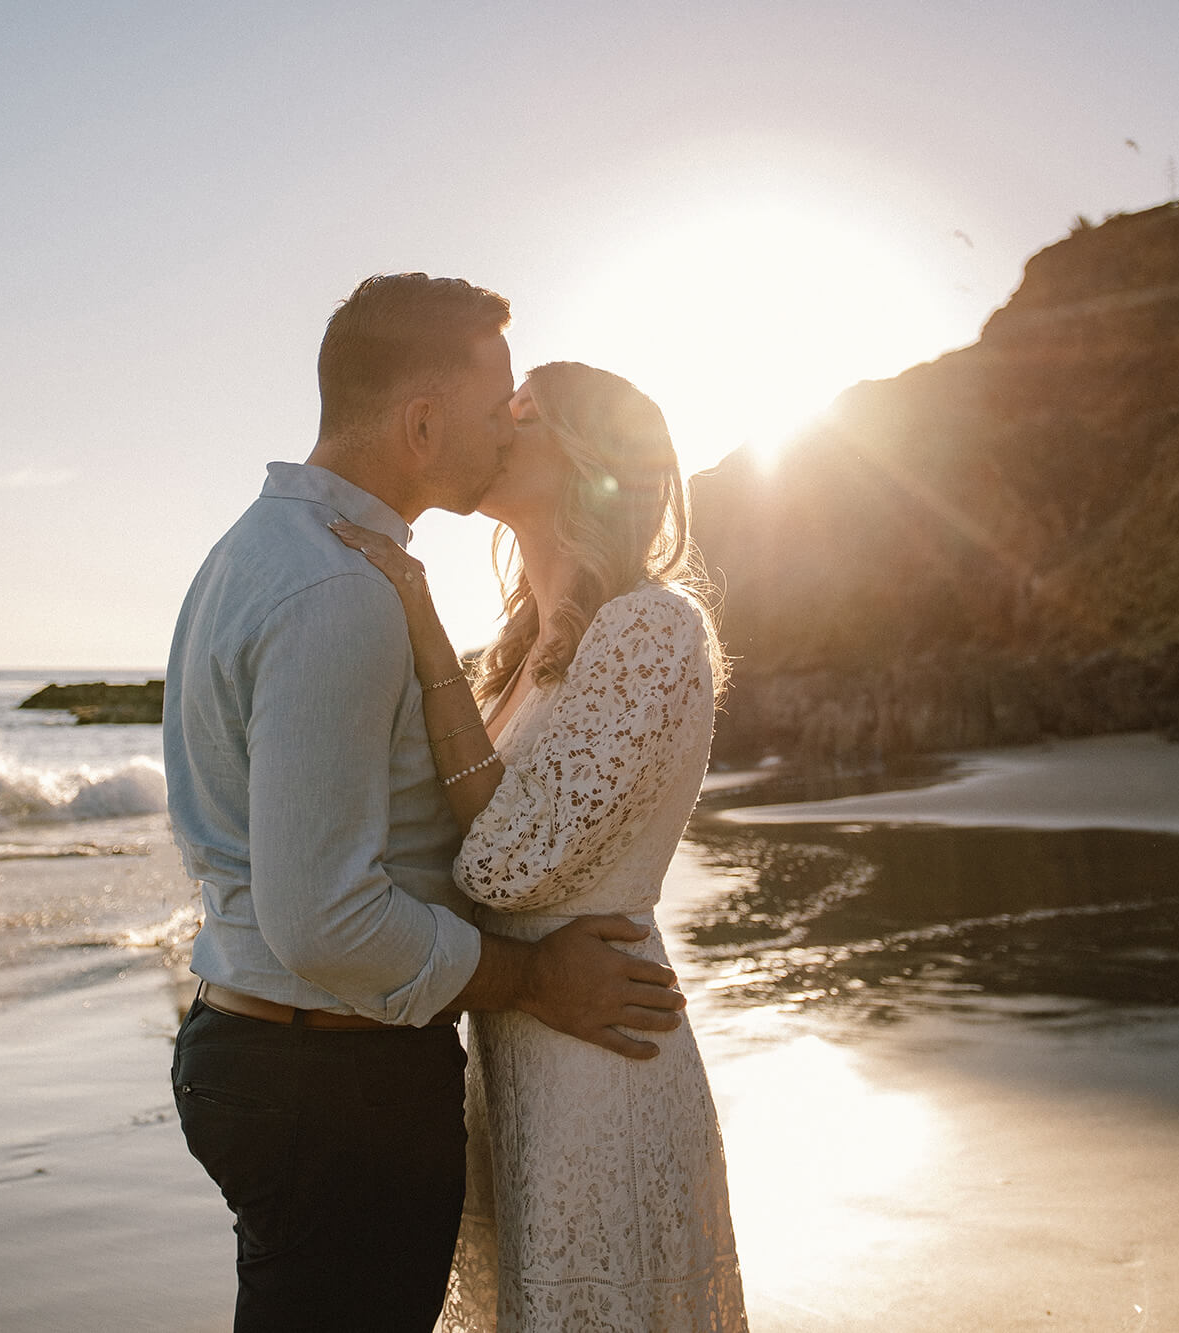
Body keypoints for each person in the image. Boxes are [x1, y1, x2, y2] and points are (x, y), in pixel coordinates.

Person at [164, 275, 689, 1333]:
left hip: (283, 1055)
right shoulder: (337, 591)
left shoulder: (261, 552)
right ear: (419, 422)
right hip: (329, 1082)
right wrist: (533, 976)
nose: (506, 427)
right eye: (502, 405)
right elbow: (325, 919)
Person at [332, 361, 747, 1330]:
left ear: (579, 455)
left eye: (514, 415)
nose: (488, 426)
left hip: (602, 1064)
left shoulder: (648, 627)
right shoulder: (519, 653)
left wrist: (423, 642)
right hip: (516, 1056)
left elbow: (498, 867)